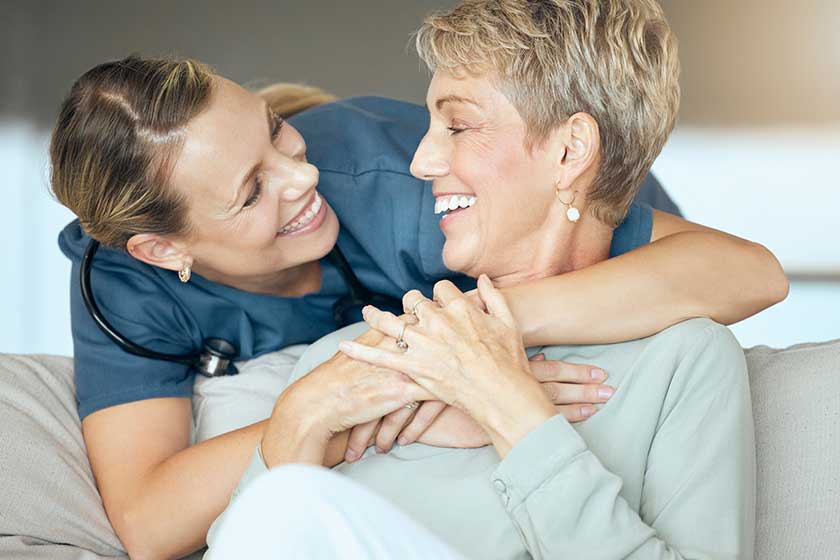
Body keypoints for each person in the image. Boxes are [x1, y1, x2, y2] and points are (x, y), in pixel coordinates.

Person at [49, 20, 784, 560]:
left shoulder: (395, 185)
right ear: (161, 250)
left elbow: (746, 273)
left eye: (277, 132)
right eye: (249, 193)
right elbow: (153, 520)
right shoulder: (324, 358)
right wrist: (319, 410)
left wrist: (464, 344)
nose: (302, 178)